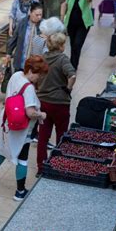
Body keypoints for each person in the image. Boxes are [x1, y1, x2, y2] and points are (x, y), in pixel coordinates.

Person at [0, 56, 49, 201]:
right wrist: (42, 115)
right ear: (31, 71)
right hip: (22, 129)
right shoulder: (29, 88)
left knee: (2, 147)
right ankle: (20, 191)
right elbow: (30, 112)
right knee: (22, 158)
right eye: (39, 74)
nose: (40, 78)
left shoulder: (16, 75)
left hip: (7, 120)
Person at [36, 33, 76, 175]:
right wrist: (68, 88)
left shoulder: (42, 59)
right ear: (60, 46)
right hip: (60, 104)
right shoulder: (62, 59)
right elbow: (72, 75)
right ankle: (58, 166)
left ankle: (41, 168)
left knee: (43, 136)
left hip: (43, 102)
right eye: (64, 44)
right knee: (61, 135)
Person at [61, 0, 94, 70]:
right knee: (72, 45)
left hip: (84, 24)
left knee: (77, 44)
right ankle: (72, 65)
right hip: (71, 22)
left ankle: (73, 66)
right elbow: (65, 4)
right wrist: (62, 18)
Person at [7, 3, 44, 71]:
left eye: (40, 15)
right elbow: (14, 39)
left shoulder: (44, 26)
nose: (39, 17)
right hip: (21, 62)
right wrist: (8, 53)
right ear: (30, 12)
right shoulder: (22, 23)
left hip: (35, 65)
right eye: (37, 15)